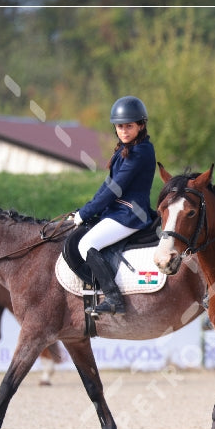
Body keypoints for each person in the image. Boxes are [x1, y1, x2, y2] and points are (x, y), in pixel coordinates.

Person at [72, 95, 156, 315]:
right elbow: (107, 185)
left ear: (141, 125)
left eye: (129, 126)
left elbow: (114, 189)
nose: (124, 130)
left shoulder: (141, 152)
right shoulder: (125, 149)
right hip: (117, 212)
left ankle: (113, 297)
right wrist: (85, 210)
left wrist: (87, 212)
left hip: (130, 214)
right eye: (120, 126)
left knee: (86, 245)